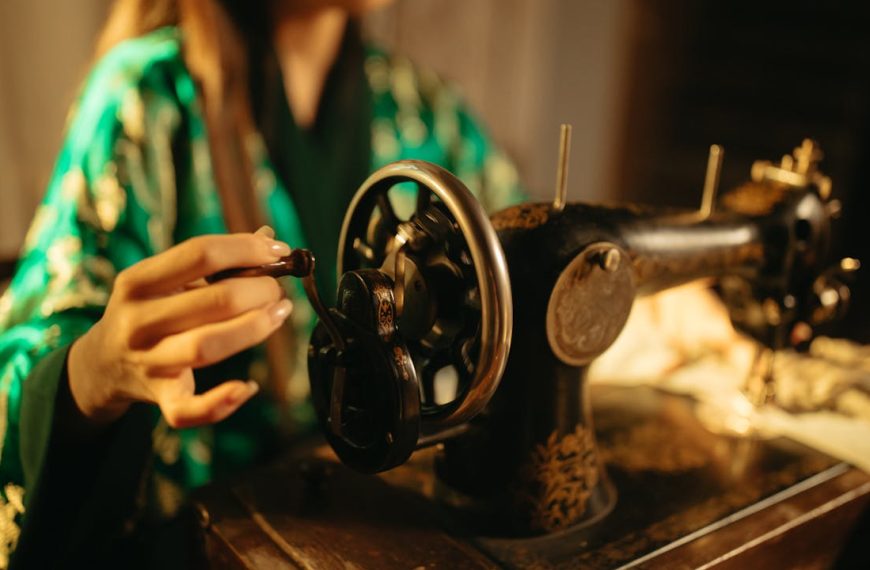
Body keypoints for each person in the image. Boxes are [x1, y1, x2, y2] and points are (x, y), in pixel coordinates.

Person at [0, 0, 524, 566]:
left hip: (378, 521)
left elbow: (521, 255)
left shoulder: (423, 105)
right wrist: (95, 369)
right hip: (208, 538)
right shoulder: (148, 93)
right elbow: (27, 360)